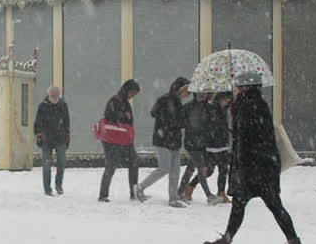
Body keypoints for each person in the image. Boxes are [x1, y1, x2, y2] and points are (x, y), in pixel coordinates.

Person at [203, 69, 305, 244]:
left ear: (245, 88)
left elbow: (248, 139)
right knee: (243, 205)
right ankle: (225, 241)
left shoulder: (248, 106)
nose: (234, 90)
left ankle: (295, 243)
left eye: (237, 87)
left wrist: (240, 158)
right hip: (260, 165)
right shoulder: (253, 104)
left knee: (272, 205)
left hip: (256, 167)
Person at [136, 77, 192, 207]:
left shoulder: (174, 101)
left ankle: (173, 199)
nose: (188, 94)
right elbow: (171, 120)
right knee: (165, 169)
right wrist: (181, 122)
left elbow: (157, 114)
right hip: (164, 141)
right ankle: (140, 187)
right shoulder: (169, 101)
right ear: (179, 89)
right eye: (186, 90)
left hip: (172, 140)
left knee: (175, 171)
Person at [184, 91, 232, 202]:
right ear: (220, 98)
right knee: (209, 170)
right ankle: (190, 187)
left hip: (223, 144)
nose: (227, 101)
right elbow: (208, 124)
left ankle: (221, 192)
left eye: (229, 99)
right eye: (226, 98)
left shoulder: (225, 109)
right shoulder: (211, 108)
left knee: (224, 170)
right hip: (212, 145)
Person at [98, 80, 141, 202]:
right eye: (132, 92)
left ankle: (134, 192)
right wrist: (123, 117)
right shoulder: (114, 101)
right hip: (112, 140)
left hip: (124, 139)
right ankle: (103, 195)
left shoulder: (125, 103)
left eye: (135, 94)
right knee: (111, 165)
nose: (133, 96)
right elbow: (111, 117)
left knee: (134, 162)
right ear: (126, 90)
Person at [34, 86, 70, 196]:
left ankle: (58, 185)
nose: (54, 98)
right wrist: (39, 135)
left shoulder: (63, 105)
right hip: (47, 139)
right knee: (46, 165)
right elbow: (38, 123)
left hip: (60, 138)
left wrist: (67, 135)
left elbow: (66, 122)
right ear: (49, 95)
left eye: (56, 96)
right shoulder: (42, 106)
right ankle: (47, 188)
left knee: (61, 163)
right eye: (52, 96)